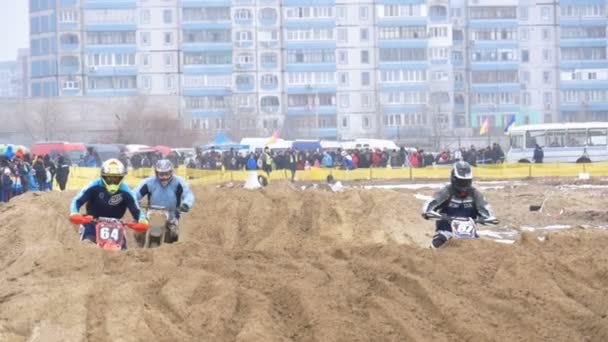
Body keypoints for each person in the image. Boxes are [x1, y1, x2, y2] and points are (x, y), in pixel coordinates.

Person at [69, 159, 147, 248]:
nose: (113, 181)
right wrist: (74, 212)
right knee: (87, 245)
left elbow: (136, 209)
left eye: (116, 178)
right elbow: (77, 200)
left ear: (121, 178)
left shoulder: (126, 191)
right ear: (103, 177)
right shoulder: (94, 185)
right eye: (109, 178)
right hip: (92, 222)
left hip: (117, 225)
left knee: (124, 251)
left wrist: (142, 220)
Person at [421, 161, 497, 249]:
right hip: (447, 232)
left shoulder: (475, 194)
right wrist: (429, 213)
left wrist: (486, 219)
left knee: (484, 250)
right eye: (461, 182)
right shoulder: (446, 192)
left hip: (470, 234)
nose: (464, 185)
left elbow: (488, 212)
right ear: (454, 179)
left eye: (466, 182)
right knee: (435, 246)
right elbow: (428, 206)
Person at [134, 159, 195, 244]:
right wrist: (134, 204)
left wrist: (186, 204)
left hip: (172, 215)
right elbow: (135, 193)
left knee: (174, 235)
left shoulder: (179, 182)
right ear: (156, 173)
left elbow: (188, 194)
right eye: (161, 174)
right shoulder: (149, 182)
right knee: (138, 230)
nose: (164, 177)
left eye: (167, 174)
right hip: (151, 214)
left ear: (171, 172)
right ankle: (140, 248)